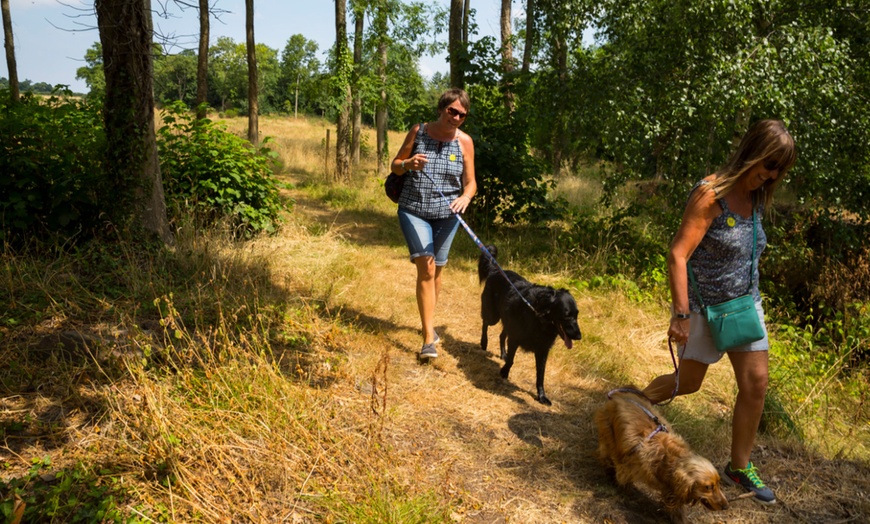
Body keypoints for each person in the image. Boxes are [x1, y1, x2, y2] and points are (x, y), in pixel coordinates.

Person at [642, 119, 796, 504]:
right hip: (706, 310)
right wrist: (681, 314)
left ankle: (739, 466)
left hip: (746, 307)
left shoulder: (759, 196)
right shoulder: (711, 195)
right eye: (769, 165)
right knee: (687, 383)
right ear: (752, 153)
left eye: (779, 169)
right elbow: (678, 254)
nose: (772, 175)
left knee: (756, 384)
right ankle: (629, 406)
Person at [390, 88, 477, 360]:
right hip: (413, 209)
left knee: (437, 271)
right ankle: (429, 338)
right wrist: (408, 164)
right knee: (426, 267)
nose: (456, 117)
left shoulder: (465, 142)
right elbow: (395, 165)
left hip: (447, 216)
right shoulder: (419, 131)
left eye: (462, 114)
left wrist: (465, 197)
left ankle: (427, 322)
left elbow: (471, 182)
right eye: (452, 111)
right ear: (441, 109)